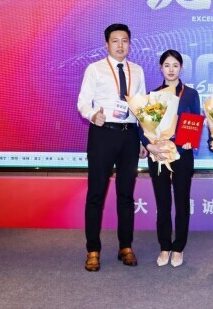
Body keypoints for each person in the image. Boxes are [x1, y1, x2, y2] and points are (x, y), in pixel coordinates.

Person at [77, 23, 147, 272]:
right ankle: (93, 250)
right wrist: (92, 114)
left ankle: (125, 246)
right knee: (96, 194)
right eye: (115, 41)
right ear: (106, 44)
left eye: (124, 40)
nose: (120, 45)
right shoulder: (95, 69)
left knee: (126, 194)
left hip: (129, 136)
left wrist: (143, 139)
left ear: (130, 44)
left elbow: (141, 107)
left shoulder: (137, 70)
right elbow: (82, 101)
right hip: (103, 134)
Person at [141, 50, 200, 268]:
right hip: (159, 154)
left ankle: (178, 247)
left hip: (182, 154)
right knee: (163, 202)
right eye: (167, 65)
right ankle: (164, 246)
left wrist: (190, 141)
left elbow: (195, 121)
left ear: (181, 68)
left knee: (182, 201)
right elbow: (142, 125)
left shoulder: (191, 94)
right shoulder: (152, 94)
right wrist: (150, 145)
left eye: (175, 65)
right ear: (161, 68)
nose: (171, 69)